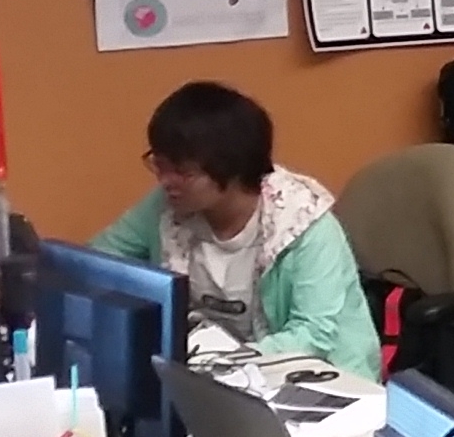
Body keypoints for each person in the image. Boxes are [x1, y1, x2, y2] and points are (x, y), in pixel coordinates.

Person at [92, 82, 380, 378]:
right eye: (160, 165)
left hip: (320, 377)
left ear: (231, 169)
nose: (166, 181)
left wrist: (221, 363)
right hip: (216, 375)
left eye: (183, 172)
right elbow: (96, 263)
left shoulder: (304, 221)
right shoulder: (166, 207)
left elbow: (314, 335)